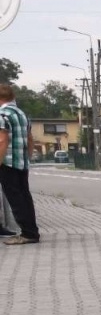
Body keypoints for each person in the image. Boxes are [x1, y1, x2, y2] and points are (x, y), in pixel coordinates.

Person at [0, 83, 39, 245]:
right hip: (22, 163)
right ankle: (31, 231)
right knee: (24, 197)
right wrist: (27, 158)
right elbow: (30, 139)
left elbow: (2, 140)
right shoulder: (22, 114)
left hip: (7, 162)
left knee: (15, 199)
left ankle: (28, 234)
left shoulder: (2, 114)